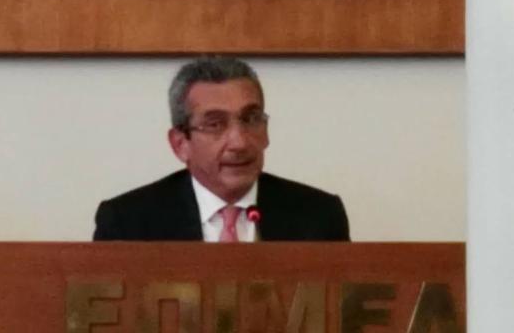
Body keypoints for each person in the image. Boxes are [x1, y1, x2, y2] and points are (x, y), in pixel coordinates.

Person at [93, 57, 349, 242]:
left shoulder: (319, 216)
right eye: (215, 124)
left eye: (251, 119)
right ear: (180, 144)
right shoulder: (126, 223)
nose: (239, 142)